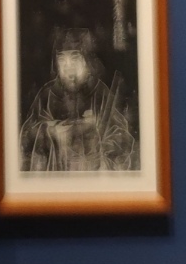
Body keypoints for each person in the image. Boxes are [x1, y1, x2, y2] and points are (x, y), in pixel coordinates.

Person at [19, 27, 138, 172]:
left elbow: (121, 139)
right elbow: (27, 136)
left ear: (87, 61)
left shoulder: (100, 94)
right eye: (62, 60)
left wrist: (94, 135)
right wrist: (51, 132)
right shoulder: (47, 95)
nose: (68, 68)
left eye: (75, 59)